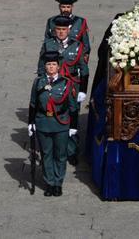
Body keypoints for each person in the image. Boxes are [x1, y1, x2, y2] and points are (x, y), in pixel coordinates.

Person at [39, 15, 89, 165]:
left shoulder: (77, 46)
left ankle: (71, 150)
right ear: (54, 30)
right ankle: (52, 150)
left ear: (68, 30)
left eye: (63, 29)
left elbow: (84, 70)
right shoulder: (48, 44)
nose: (61, 32)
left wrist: (83, 90)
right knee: (52, 117)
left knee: (71, 117)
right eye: (58, 29)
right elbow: (42, 67)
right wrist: (42, 86)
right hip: (53, 86)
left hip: (72, 87)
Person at [28, 50, 76, 197]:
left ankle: (58, 183)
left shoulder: (66, 83)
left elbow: (72, 106)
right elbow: (33, 104)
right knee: (46, 154)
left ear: (58, 66)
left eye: (53, 64)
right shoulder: (38, 82)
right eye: (48, 64)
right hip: (43, 122)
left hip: (61, 123)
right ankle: (49, 183)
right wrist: (31, 123)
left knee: (60, 154)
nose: (50, 67)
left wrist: (73, 127)